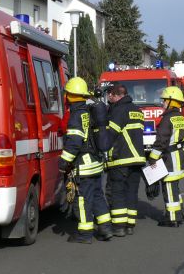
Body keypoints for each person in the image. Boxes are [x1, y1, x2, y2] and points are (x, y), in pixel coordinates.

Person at [58, 77, 112, 244]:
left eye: (67, 93)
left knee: (83, 199)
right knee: (97, 196)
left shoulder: (76, 115)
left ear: (71, 95)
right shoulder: (87, 111)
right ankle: (105, 228)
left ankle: (85, 234)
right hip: (95, 162)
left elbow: (74, 142)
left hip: (84, 166)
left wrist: (63, 162)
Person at [105, 84, 146, 237]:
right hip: (137, 159)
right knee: (132, 192)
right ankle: (130, 225)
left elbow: (111, 135)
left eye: (110, 95)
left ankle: (119, 226)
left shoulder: (118, 110)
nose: (109, 98)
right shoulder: (137, 111)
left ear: (116, 95)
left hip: (121, 159)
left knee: (118, 193)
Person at [148, 86, 184, 227]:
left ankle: (172, 218)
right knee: (175, 187)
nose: (162, 103)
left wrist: (152, 158)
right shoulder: (180, 117)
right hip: (180, 156)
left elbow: (161, 142)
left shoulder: (167, 119)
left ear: (172, 101)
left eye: (164, 100)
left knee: (169, 188)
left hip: (170, 158)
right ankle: (179, 213)